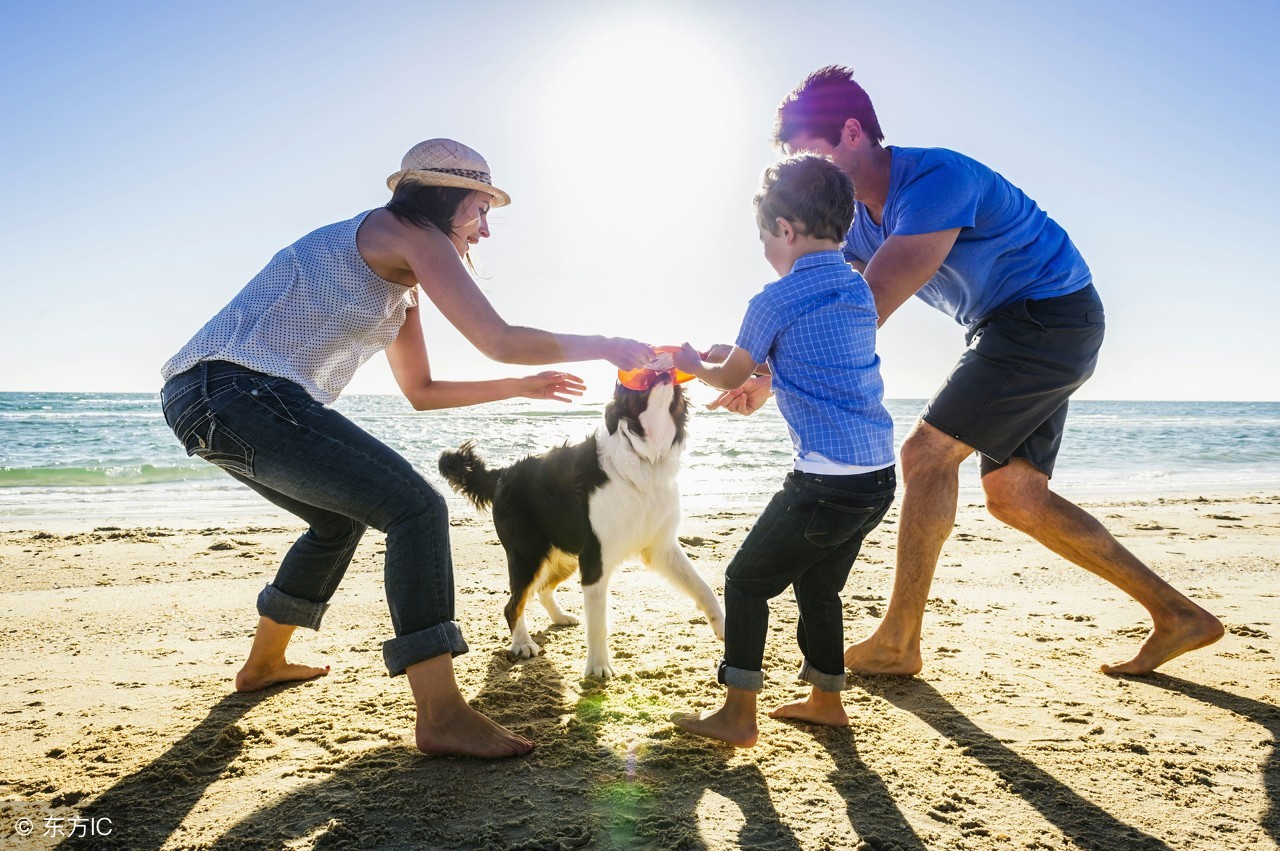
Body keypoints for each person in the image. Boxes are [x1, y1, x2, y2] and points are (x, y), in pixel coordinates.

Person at [713, 66, 1223, 677]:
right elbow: (820, 308)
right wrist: (759, 375)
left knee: (925, 456)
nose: (805, 177)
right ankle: (1178, 616)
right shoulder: (850, 224)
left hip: (1047, 317)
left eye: (810, 156)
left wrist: (758, 367)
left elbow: (857, 314)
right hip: (1017, 326)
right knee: (1016, 498)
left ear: (852, 132)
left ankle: (899, 641)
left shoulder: (935, 178)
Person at [159, 138, 654, 758]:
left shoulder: (399, 271)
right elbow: (496, 337)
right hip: (239, 390)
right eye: (480, 209)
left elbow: (420, 390)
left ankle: (264, 664)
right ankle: (442, 715)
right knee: (416, 509)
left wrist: (522, 385)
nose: (485, 229)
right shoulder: (413, 234)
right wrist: (608, 343)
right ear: (444, 197)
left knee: (337, 522)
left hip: (202, 398)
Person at [669, 154, 896, 747]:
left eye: (765, 237)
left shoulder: (774, 298)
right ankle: (826, 701)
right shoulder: (857, 287)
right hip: (876, 476)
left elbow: (728, 376)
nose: (766, 249)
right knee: (819, 587)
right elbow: (811, 357)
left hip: (823, 482)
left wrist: (692, 362)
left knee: (746, 582)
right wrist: (750, 362)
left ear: (785, 229)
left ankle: (738, 715)